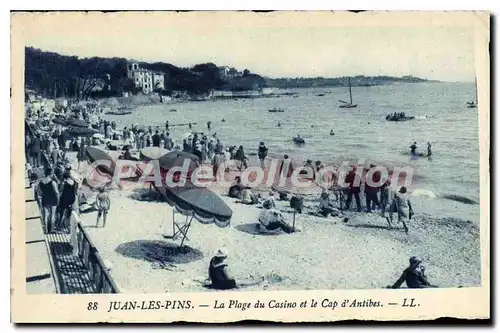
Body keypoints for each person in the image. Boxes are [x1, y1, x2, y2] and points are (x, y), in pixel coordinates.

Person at [36, 167, 60, 234]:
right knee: (52, 214)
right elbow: (57, 192)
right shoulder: (53, 182)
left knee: (45, 215)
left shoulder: (41, 182)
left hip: (45, 199)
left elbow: (38, 192)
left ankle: (45, 230)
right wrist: (58, 200)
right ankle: (52, 229)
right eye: (52, 174)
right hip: (53, 199)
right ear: (50, 174)